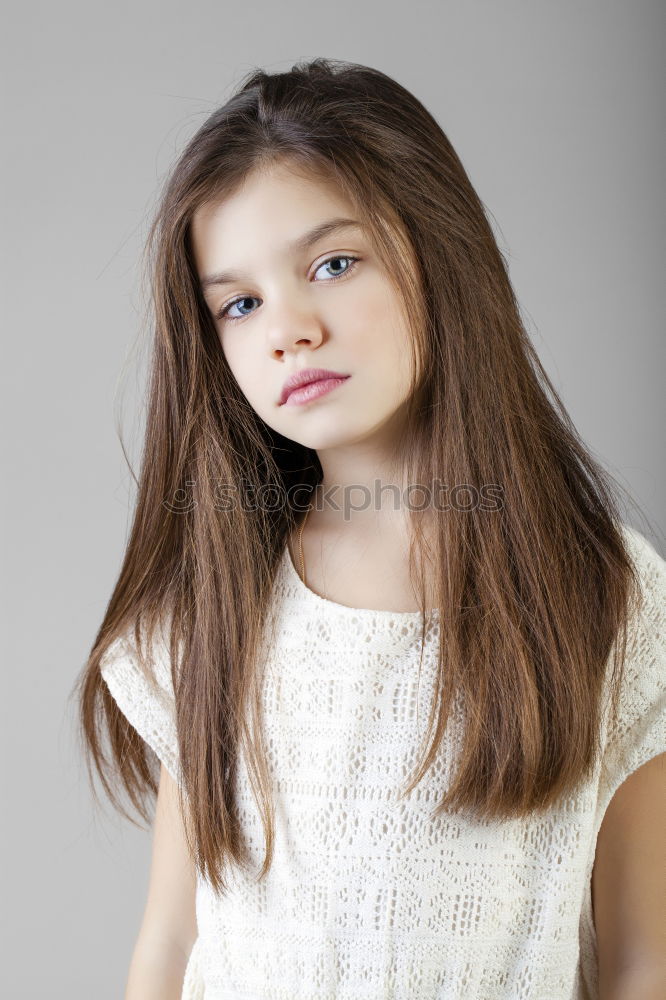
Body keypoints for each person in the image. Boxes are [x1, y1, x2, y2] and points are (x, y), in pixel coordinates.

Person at [75, 58, 666, 999]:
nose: (288, 328)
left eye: (333, 264)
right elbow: (172, 938)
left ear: (439, 250)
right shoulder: (213, 610)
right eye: (240, 302)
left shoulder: (605, 596)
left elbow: (641, 961)